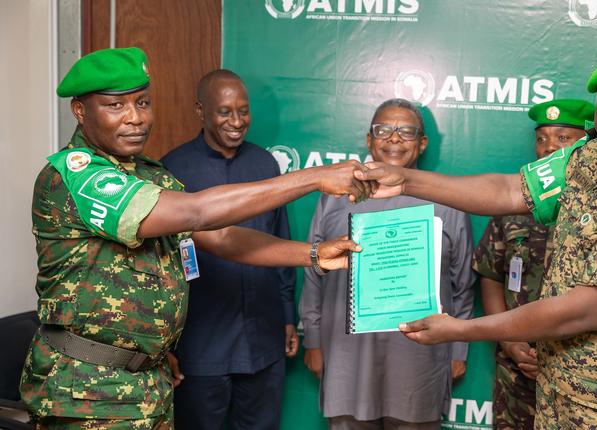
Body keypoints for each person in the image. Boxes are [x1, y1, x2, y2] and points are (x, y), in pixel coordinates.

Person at [357, 34, 597, 428]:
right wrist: (404, 180)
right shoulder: (596, 154)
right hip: (571, 405)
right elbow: (510, 190)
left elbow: (586, 307)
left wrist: (464, 330)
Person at [20, 47, 367, 429]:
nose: (135, 118)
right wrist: (314, 177)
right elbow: (197, 212)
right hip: (87, 393)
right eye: (116, 106)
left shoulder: (150, 175)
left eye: (142, 102)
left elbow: (219, 238)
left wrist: (313, 253)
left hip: (147, 384)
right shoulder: (76, 177)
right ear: (80, 111)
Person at [300, 98, 476, 430]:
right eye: (383, 130)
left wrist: (459, 348)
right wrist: (313, 340)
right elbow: (314, 272)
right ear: (369, 140)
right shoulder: (334, 199)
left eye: (406, 131)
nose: (394, 139)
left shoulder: (449, 201)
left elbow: (462, 284)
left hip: (418, 356)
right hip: (347, 353)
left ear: (422, 143)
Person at [160, 69, 297, 430]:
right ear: (200, 110)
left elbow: (279, 241)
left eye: (243, 111)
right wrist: (165, 342)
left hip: (263, 339)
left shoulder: (265, 165)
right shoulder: (171, 170)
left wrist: (286, 315)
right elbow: (160, 264)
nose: (236, 122)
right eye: (224, 112)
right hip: (201, 344)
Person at [472, 99, 593, 430]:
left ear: (588, 141)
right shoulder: (514, 203)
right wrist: (509, 340)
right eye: (541, 138)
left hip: (582, 373)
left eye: (562, 138)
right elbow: (490, 275)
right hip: (516, 375)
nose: (548, 147)